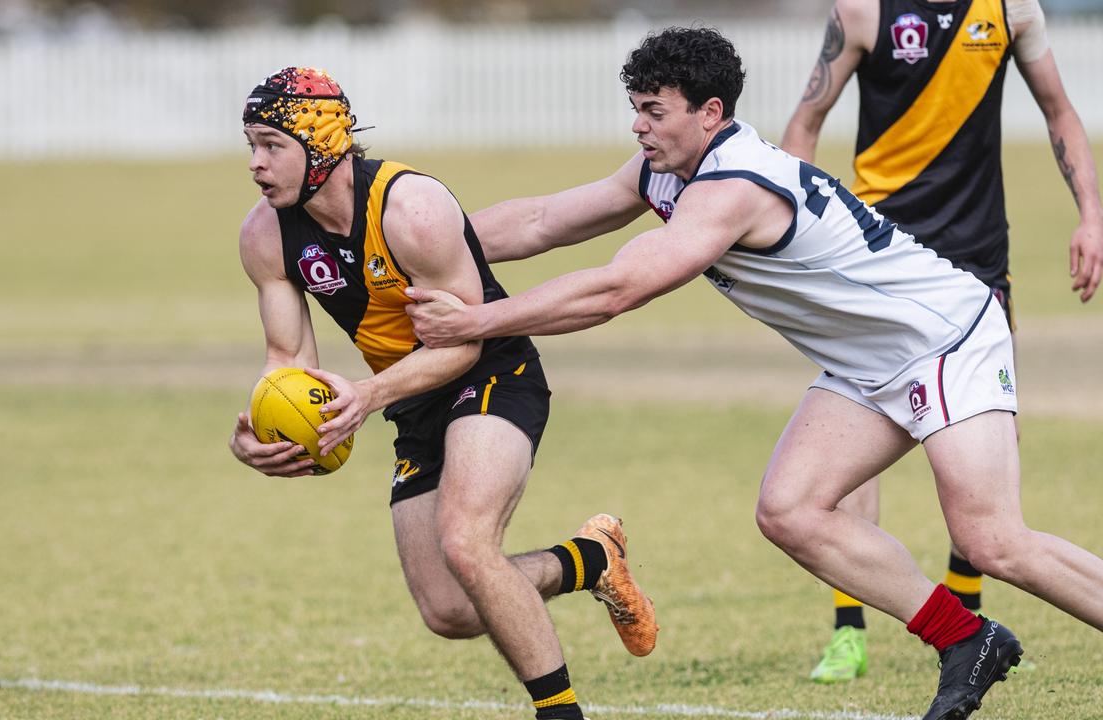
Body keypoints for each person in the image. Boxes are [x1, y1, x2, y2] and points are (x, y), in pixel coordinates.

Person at [406, 27, 1103, 720]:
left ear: (709, 113)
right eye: (637, 107)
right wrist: (404, 240)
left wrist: (476, 322)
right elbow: (541, 220)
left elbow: (618, 290)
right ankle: (968, 641)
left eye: (655, 111)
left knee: (992, 541)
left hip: (946, 338)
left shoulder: (733, 186)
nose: (638, 125)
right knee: (791, 511)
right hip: (869, 360)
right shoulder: (662, 169)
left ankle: (979, 634)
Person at [228, 67, 658, 720]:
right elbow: (288, 362)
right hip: (408, 398)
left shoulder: (412, 209)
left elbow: (463, 341)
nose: (256, 164)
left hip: (490, 372)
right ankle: (591, 559)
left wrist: (368, 395)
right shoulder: (266, 235)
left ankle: (561, 712)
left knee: (466, 540)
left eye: (270, 145)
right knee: (451, 610)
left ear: (319, 145)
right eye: (250, 145)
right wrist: (263, 433)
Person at [779, 0, 1103, 682]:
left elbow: (1061, 113)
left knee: (988, 480)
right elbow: (804, 126)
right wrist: (797, 245)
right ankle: (849, 631)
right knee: (844, 459)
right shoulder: (862, 11)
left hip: (978, 269)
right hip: (874, 268)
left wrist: (1091, 217)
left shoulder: (1012, 8)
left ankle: (972, 622)